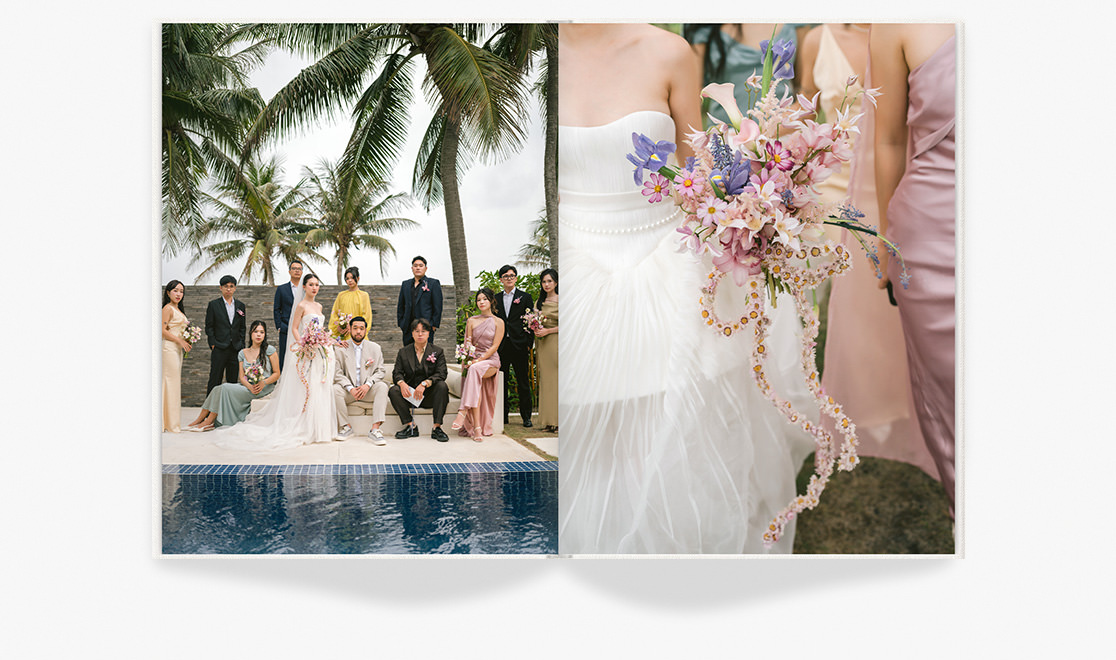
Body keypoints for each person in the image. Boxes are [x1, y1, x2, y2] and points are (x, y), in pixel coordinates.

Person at [558, 23, 814, 554]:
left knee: (668, 441)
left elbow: (698, 166)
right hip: (574, 274)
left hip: (668, 266)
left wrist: (752, 208)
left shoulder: (669, 51)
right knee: (585, 448)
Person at [803, 24, 936, 478]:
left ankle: (901, 408)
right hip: (823, 196)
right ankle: (846, 405)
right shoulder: (816, 40)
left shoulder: (907, 31)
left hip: (880, 189)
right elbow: (803, 112)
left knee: (889, 310)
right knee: (829, 314)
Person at [871, 23, 957, 516]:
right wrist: (887, 241)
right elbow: (886, 142)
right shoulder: (895, 25)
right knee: (950, 389)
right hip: (929, 238)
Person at [214, 272, 337, 451]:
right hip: (306, 349)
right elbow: (295, 328)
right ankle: (303, 424)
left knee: (319, 387)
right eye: (311, 284)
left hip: (319, 351)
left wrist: (323, 341)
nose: (314, 288)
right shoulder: (301, 305)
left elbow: (320, 328)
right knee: (306, 388)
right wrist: (304, 343)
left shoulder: (319, 306)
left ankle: (319, 428)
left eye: (317, 285)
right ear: (304, 287)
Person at [684, 23, 805, 127]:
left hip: (779, 137)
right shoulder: (703, 24)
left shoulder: (795, 21)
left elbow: (802, 91)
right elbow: (692, 96)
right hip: (726, 138)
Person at [186, 320, 280, 431]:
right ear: (250, 333)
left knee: (224, 387)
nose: (259, 335)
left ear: (265, 335)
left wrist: (263, 382)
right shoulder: (243, 352)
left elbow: (277, 373)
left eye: (262, 332)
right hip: (248, 387)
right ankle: (199, 420)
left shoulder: (269, 350)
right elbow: (241, 377)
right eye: (256, 332)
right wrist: (249, 386)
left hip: (264, 388)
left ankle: (208, 421)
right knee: (217, 388)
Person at [451, 289, 504, 442]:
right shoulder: (471, 321)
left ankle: (462, 411)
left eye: (484, 299)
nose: (481, 302)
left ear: (491, 301)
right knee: (474, 375)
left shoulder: (498, 322)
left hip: (491, 361)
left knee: (474, 369)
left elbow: (495, 347)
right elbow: (468, 343)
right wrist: (466, 356)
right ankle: (477, 429)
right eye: (478, 299)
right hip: (473, 361)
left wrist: (479, 360)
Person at [388, 319, 450, 442]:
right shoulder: (403, 352)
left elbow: (442, 373)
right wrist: (402, 383)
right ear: (412, 333)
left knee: (442, 386)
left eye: (423, 331)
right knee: (393, 390)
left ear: (428, 333)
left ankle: (437, 428)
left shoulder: (437, 351)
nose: (420, 334)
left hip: (429, 396)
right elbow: (397, 373)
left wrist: (425, 383)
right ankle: (411, 426)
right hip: (410, 396)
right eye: (417, 331)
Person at [332, 316, 390, 445]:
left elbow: (380, 371)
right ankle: (346, 427)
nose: (358, 331)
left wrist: (368, 385)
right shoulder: (341, 348)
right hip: (349, 392)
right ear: (349, 329)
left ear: (365, 331)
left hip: (367, 390)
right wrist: (350, 388)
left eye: (361, 329)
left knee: (382, 386)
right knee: (335, 389)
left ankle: (375, 430)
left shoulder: (375, 348)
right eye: (355, 328)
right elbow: (337, 373)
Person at [493, 264, 535, 428]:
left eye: (511, 275)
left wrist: (528, 344)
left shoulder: (525, 297)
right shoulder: (495, 298)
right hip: (502, 346)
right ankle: (502, 416)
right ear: (501, 279)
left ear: (516, 278)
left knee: (523, 381)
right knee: (501, 383)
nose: (509, 278)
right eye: (505, 276)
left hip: (520, 345)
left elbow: (530, 321)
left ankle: (527, 417)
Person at [204, 275, 246, 395]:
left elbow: (242, 327)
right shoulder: (213, 305)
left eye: (231, 286)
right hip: (219, 347)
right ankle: (210, 409)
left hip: (235, 348)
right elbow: (209, 326)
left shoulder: (240, 306)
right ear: (220, 288)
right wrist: (212, 343)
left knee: (232, 381)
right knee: (215, 379)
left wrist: (241, 344)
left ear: (235, 288)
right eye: (226, 286)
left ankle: (229, 409)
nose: (228, 289)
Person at [161, 280, 192, 432]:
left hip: (177, 350)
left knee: (173, 383)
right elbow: (162, 330)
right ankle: (169, 424)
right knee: (170, 383)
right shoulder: (167, 308)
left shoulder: (178, 309)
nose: (179, 294)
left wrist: (186, 340)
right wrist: (179, 340)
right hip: (168, 349)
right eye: (175, 290)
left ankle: (171, 422)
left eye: (181, 291)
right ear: (168, 292)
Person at [533, 268, 559, 432]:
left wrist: (548, 331)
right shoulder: (538, 302)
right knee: (546, 381)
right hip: (542, 343)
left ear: (556, 282)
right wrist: (534, 327)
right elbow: (534, 321)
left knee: (557, 381)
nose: (546, 284)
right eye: (544, 281)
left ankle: (559, 421)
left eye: (549, 281)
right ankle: (549, 421)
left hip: (556, 341)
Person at [396, 256, 443, 346]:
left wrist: (433, 325)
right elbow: (401, 305)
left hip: (425, 326)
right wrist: (401, 323)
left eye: (421, 266)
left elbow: (438, 306)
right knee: (408, 354)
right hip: (408, 327)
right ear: (412, 268)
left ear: (425, 268)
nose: (418, 268)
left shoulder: (433, 283)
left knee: (425, 354)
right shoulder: (405, 284)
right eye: (415, 265)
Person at [273, 259, 304, 370]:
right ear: (289, 271)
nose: (297, 271)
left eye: (299, 269)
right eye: (294, 268)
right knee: (284, 356)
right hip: (286, 328)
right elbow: (277, 308)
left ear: (302, 272)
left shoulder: (306, 289)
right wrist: (279, 326)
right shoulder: (282, 289)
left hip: (302, 328)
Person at [329, 266, 373, 340]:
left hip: (358, 335)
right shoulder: (341, 295)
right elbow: (335, 313)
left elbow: (367, 316)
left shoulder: (364, 295)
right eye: (347, 278)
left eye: (352, 278)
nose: (350, 280)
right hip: (343, 334)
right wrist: (338, 327)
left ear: (358, 278)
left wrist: (354, 328)